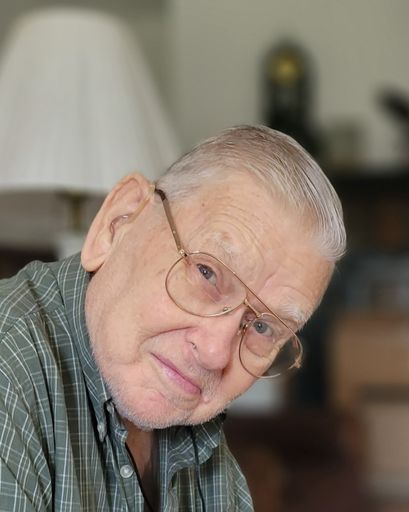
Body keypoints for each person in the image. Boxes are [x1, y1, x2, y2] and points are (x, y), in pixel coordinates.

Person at [0, 125, 346, 511]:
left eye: (263, 327)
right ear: (118, 221)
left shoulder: (195, 434)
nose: (215, 353)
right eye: (207, 274)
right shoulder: (8, 370)